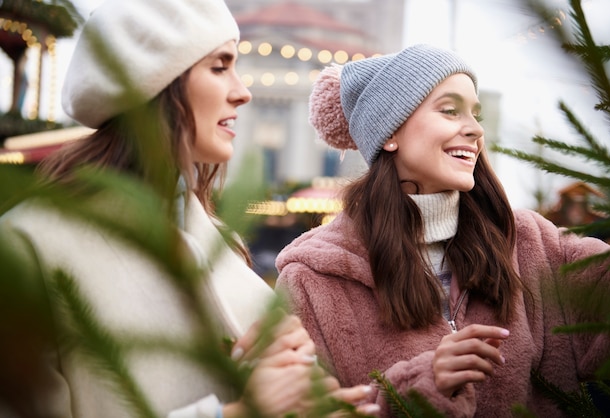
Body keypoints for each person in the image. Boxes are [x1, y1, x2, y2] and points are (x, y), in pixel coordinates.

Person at [0, 0, 380, 417]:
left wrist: (294, 377)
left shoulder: (220, 242)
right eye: (219, 66)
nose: (243, 91)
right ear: (156, 82)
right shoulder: (26, 245)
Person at [275, 43, 610, 417]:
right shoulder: (312, 280)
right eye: (450, 110)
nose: (475, 129)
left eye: (475, 114)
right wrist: (419, 387)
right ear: (390, 133)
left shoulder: (529, 242)